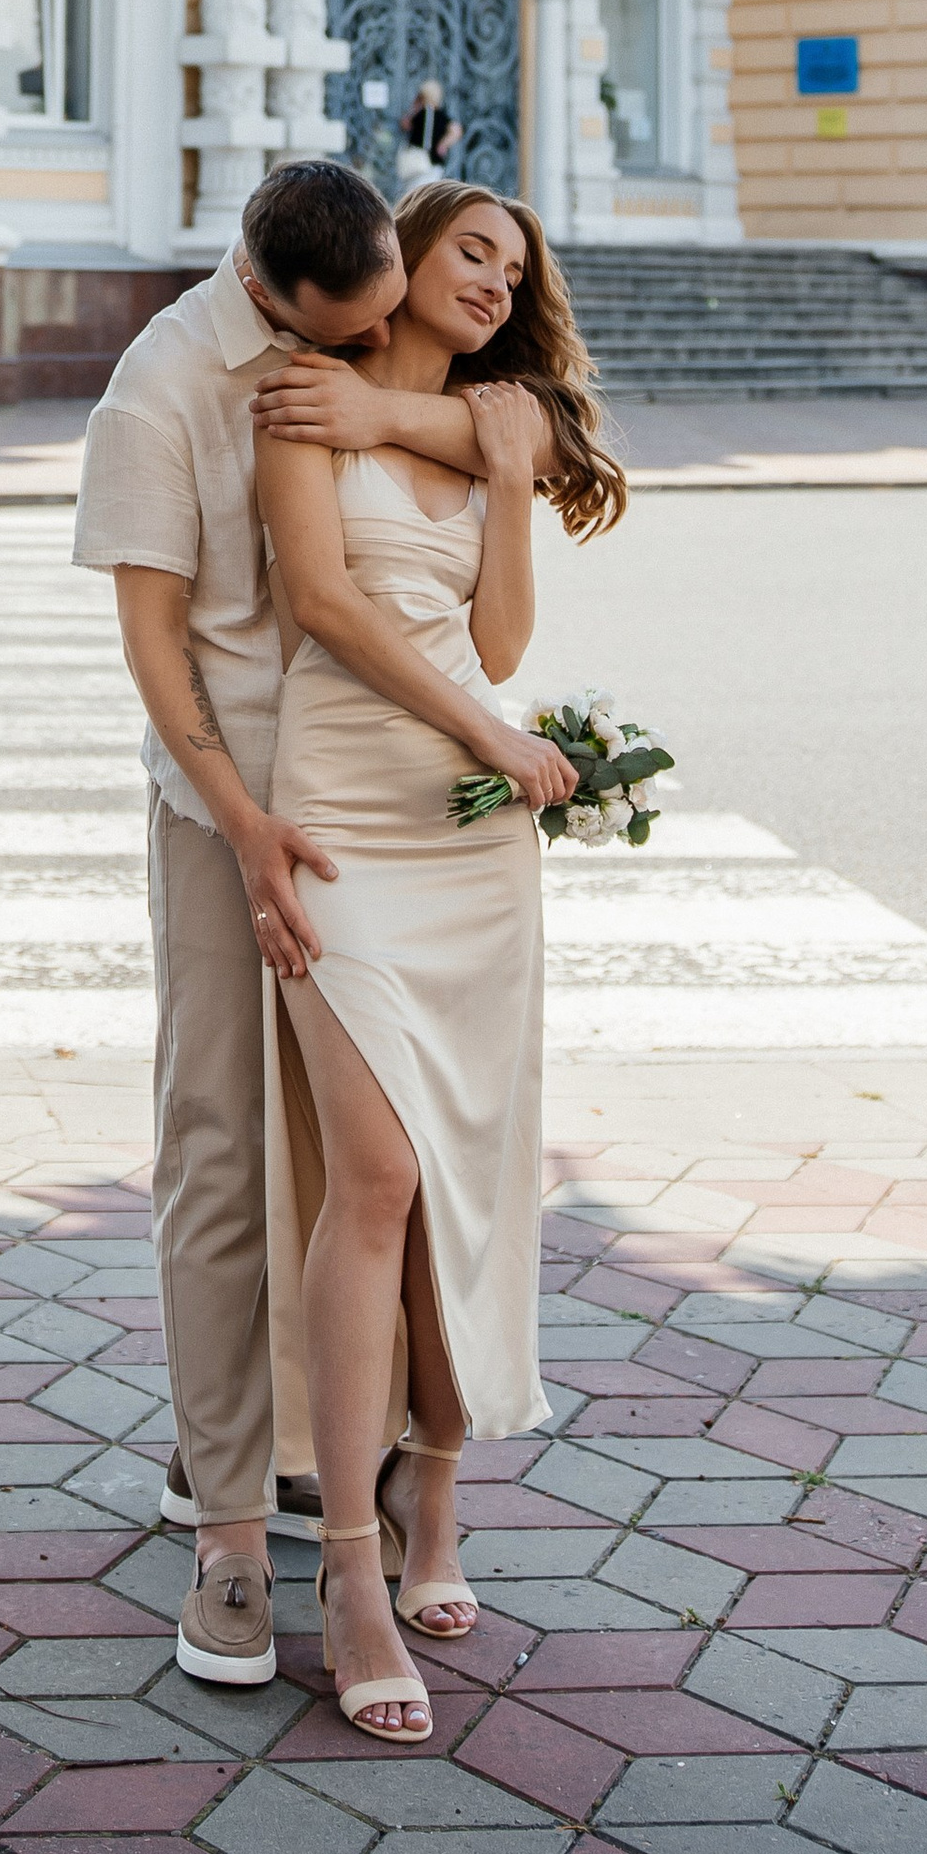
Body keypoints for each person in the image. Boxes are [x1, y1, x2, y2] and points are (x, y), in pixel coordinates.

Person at [73, 158, 594, 1691]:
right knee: (232, 1152)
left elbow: (507, 490)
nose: (356, 354)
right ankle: (232, 1523)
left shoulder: (363, 368)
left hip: (424, 817)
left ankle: (337, 1462)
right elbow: (171, 647)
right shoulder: (170, 390)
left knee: (381, 1167)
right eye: (348, 336)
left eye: (378, 330)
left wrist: (451, 435)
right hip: (239, 793)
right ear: (280, 296)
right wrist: (241, 821)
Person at [253, 179, 627, 1739]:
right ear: (403, 255)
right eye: (474, 249)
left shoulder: (507, 429)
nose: (495, 279)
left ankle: (440, 1505)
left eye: (515, 269)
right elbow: (322, 601)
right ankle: (346, 1568)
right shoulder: (300, 397)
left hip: (473, 838)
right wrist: (487, 728)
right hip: (343, 800)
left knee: (467, 1170)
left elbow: (508, 640)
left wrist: (485, 456)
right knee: (380, 1177)